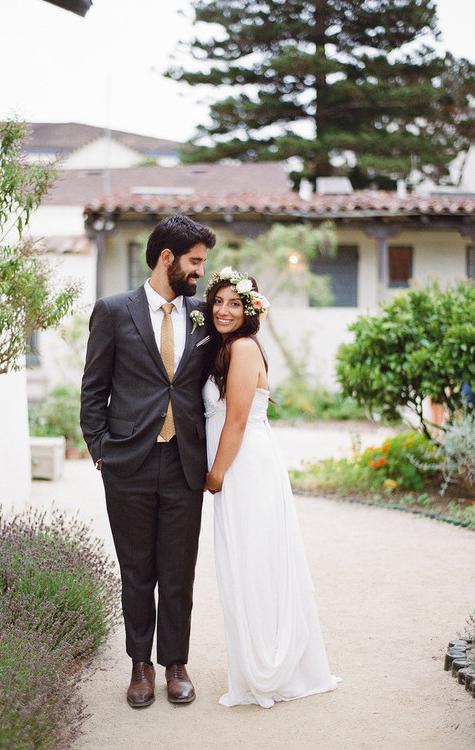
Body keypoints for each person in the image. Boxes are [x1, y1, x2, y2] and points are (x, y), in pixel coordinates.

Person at [80, 215, 216, 708]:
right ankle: (140, 665)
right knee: (136, 568)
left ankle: (174, 663)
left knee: (179, 569)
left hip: (184, 463)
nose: (201, 271)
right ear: (167, 258)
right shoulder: (114, 311)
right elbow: (93, 389)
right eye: (195, 261)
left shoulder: (204, 315)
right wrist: (102, 454)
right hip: (129, 464)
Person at [202, 267, 339, 708]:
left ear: (250, 310)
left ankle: (270, 666)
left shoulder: (242, 349)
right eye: (218, 302)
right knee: (246, 563)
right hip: (239, 466)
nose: (224, 310)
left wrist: (216, 474)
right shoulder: (224, 348)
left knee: (255, 564)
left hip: (245, 469)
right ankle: (257, 659)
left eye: (234, 303)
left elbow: (237, 420)